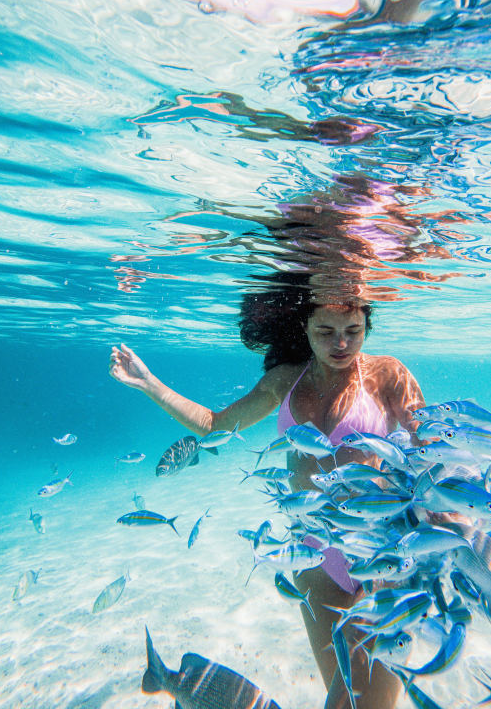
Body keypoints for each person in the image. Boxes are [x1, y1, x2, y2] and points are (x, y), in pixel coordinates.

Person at [109, 279, 428, 709]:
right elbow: (213, 425)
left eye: (353, 330)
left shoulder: (388, 374)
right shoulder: (285, 382)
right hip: (315, 562)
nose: (341, 343)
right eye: (325, 331)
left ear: (366, 325)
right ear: (305, 327)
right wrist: (149, 384)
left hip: (380, 559)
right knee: (348, 700)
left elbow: (431, 448)